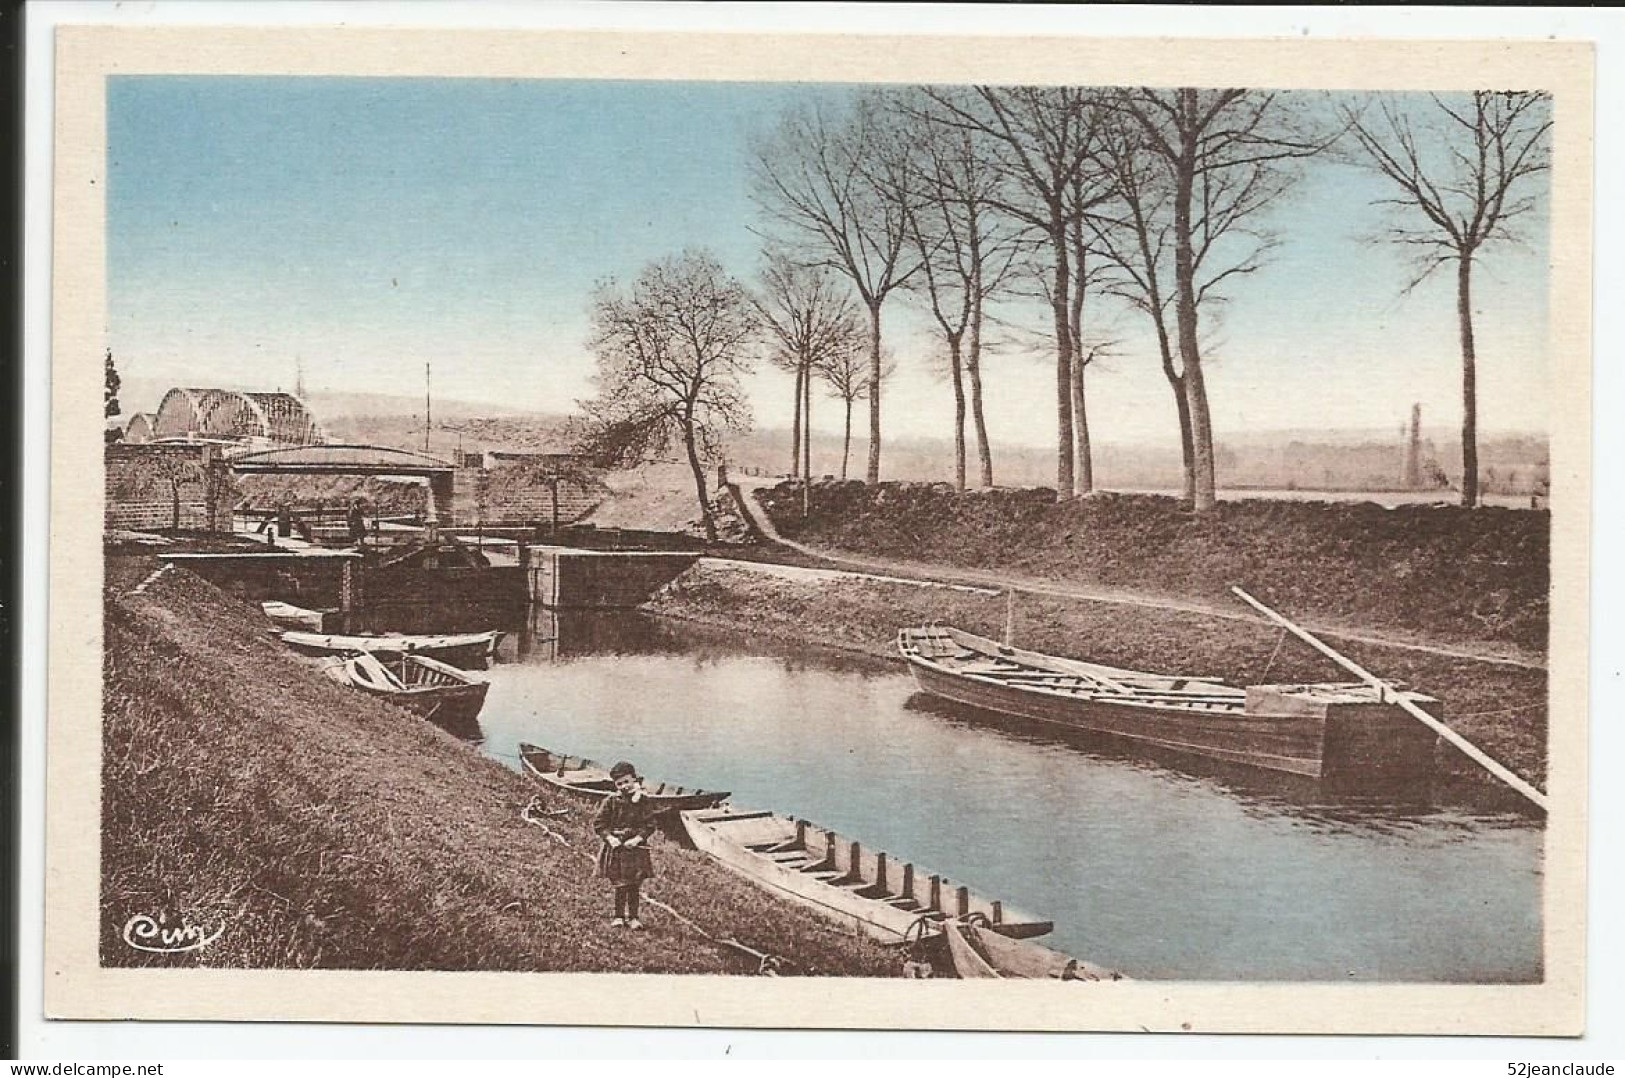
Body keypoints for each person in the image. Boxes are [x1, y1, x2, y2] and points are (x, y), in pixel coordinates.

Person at [592, 761, 657, 930]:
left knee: (634, 884)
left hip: (635, 850)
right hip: (616, 849)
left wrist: (637, 839)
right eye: (619, 784)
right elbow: (599, 824)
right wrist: (610, 838)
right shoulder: (611, 801)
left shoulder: (643, 801)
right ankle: (619, 916)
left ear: (634, 779)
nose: (623, 786)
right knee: (620, 885)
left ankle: (634, 918)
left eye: (626, 782)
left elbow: (649, 825)